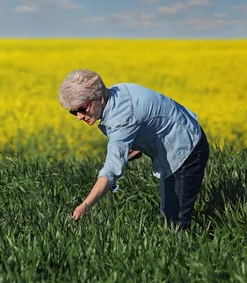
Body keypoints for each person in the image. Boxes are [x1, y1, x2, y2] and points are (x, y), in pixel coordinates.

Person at [59, 69, 209, 230]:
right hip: (182, 133)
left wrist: (85, 206)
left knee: (175, 222)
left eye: (82, 109)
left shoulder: (121, 119)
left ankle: (189, 250)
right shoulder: (115, 93)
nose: (79, 116)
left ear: (100, 98)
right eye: (73, 112)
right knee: (170, 215)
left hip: (186, 149)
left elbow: (110, 173)